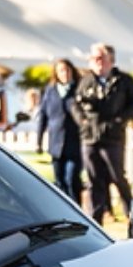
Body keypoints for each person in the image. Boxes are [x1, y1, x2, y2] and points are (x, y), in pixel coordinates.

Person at [71, 43, 133, 224]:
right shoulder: (86, 81)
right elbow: (76, 104)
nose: (97, 62)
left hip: (112, 136)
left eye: (101, 58)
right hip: (90, 136)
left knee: (117, 176)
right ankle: (96, 218)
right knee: (94, 179)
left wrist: (119, 121)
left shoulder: (123, 81)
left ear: (111, 60)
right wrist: (83, 121)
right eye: (94, 58)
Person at [36, 58, 83, 204]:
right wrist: (39, 141)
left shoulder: (79, 90)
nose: (65, 73)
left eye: (68, 70)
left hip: (75, 144)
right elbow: (43, 116)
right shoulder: (50, 91)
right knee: (60, 181)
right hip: (56, 144)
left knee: (71, 178)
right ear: (56, 73)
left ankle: (77, 210)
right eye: (61, 70)